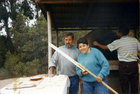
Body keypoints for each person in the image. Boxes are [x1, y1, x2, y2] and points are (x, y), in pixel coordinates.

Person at [93, 26, 140, 94]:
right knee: (134, 84)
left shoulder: (118, 42)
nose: (117, 33)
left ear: (120, 33)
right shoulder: (134, 40)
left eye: (118, 32)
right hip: (134, 65)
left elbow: (105, 48)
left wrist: (97, 44)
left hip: (124, 66)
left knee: (125, 85)